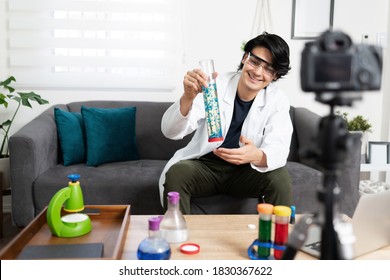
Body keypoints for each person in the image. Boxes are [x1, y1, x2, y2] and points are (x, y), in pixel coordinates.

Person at [159, 32, 293, 214]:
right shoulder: (215, 86)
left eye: (269, 69)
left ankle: (282, 239)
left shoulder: (277, 100)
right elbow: (170, 131)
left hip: (245, 172)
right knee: (177, 173)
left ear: (275, 76)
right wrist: (188, 97)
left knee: (278, 176)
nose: (258, 72)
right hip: (206, 168)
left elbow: (279, 148)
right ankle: (178, 237)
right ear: (245, 58)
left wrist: (256, 155)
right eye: (255, 62)